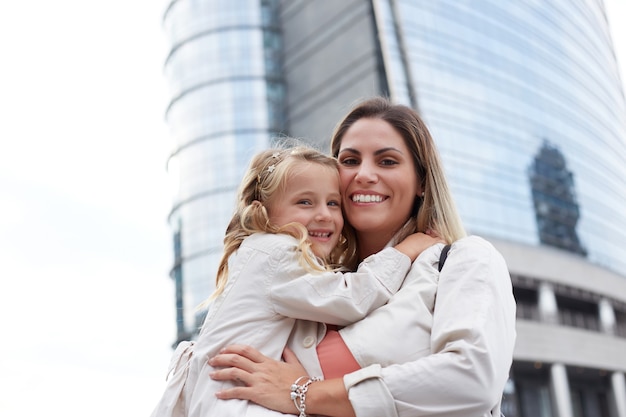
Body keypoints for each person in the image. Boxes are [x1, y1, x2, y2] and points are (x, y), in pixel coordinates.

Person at [208, 97, 517, 417]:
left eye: (387, 162)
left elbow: (472, 379)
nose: (364, 174)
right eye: (350, 160)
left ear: (421, 182)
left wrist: (306, 392)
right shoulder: (303, 282)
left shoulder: (463, 259)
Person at [150, 144, 440, 417]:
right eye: (305, 202)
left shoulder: (268, 256)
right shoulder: (277, 254)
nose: (324, 215)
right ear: (263, 210)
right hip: (238, 403)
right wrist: (405, 250)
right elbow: (351, 299)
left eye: (333, 203)